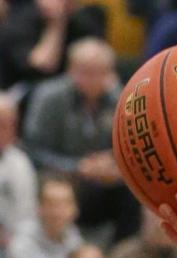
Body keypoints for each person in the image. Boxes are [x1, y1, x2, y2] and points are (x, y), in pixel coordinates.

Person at [20, 40, 138, 242]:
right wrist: (77, 167)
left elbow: (131, 144)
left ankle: (121, 251)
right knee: (58, 190)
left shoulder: (118, 97)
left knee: (133, 187)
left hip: (101, 177)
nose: (94, 79)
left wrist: (111, 162)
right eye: (86, 71)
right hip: (57, 174)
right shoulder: (50, 97)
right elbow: (32, 149)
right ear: (71, 70)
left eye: (101, 72)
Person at [0, 95, 38, 244]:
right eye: (1, 124)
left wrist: (13, 240)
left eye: (11, 124)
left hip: (13, 244)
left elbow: (26, 215)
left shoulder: (20, 162)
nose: (6, 130)